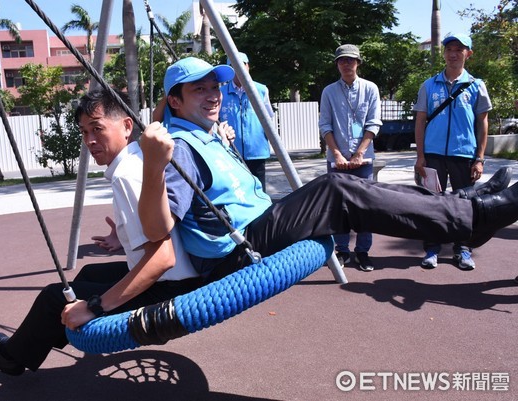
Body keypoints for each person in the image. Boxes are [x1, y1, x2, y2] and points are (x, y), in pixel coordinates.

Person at [137, 56, 516, 283]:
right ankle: (472, 215)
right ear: (175, 100)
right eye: (199, 90)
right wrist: (155, 165)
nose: (214, 95)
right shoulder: (177, 149)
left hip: (259, 221)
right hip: (239, 248)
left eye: (214, 87)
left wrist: (215, 133)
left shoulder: (204, 132)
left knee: (367, 191)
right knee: (337, 189)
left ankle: (462, 203)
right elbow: (157, 230)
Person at [0, 89, 200, 376]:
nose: (90, 140)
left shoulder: (127, 176)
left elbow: (163, 258)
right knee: (89, 274)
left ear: (127, 126)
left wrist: (95, 307)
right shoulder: (139, 156)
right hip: (179, 277)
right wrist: (123, 236)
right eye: (84, 131)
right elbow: (153, 228)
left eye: (98, 129)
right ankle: (38, 338)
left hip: (169, 290)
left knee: (54, 297)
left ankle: (9, 357)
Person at [414, 33, 493, 271]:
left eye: (459, 49)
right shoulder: (429, 85)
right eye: (449, 49)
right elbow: (419, 121)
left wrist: (479, 158)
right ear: (444, 53)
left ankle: (463, 249)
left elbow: (483, 123)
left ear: (468, 53)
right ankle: (431, 248)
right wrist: (420, 156)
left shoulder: (477, 85)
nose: (453, 53)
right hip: (433, 154)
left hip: (463, 155)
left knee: (464, 205)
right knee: (432, 203)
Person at [319, 44, 382, 272]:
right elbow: (325, 124)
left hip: (363, 159)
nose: (346, 64)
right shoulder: (329, 91)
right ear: (337, 64)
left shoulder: (370, 88)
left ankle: (363, 251)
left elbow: (374, 123)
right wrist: (336, 153)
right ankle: (342, 250)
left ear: (358, 63)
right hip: (336, 159)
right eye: (342, 60)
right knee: (338, 207)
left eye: (351, 60)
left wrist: (359, 153)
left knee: (365, 206)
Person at [220, 52, 274, 191]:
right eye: (234, 66)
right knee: (236, 189)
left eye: (242, 65)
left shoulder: (261, 90)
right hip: (230, 152)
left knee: (259, 190)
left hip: (256, 151)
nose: (239, 69)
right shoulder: (220, 92)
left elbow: (269, 118)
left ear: (248, 66)